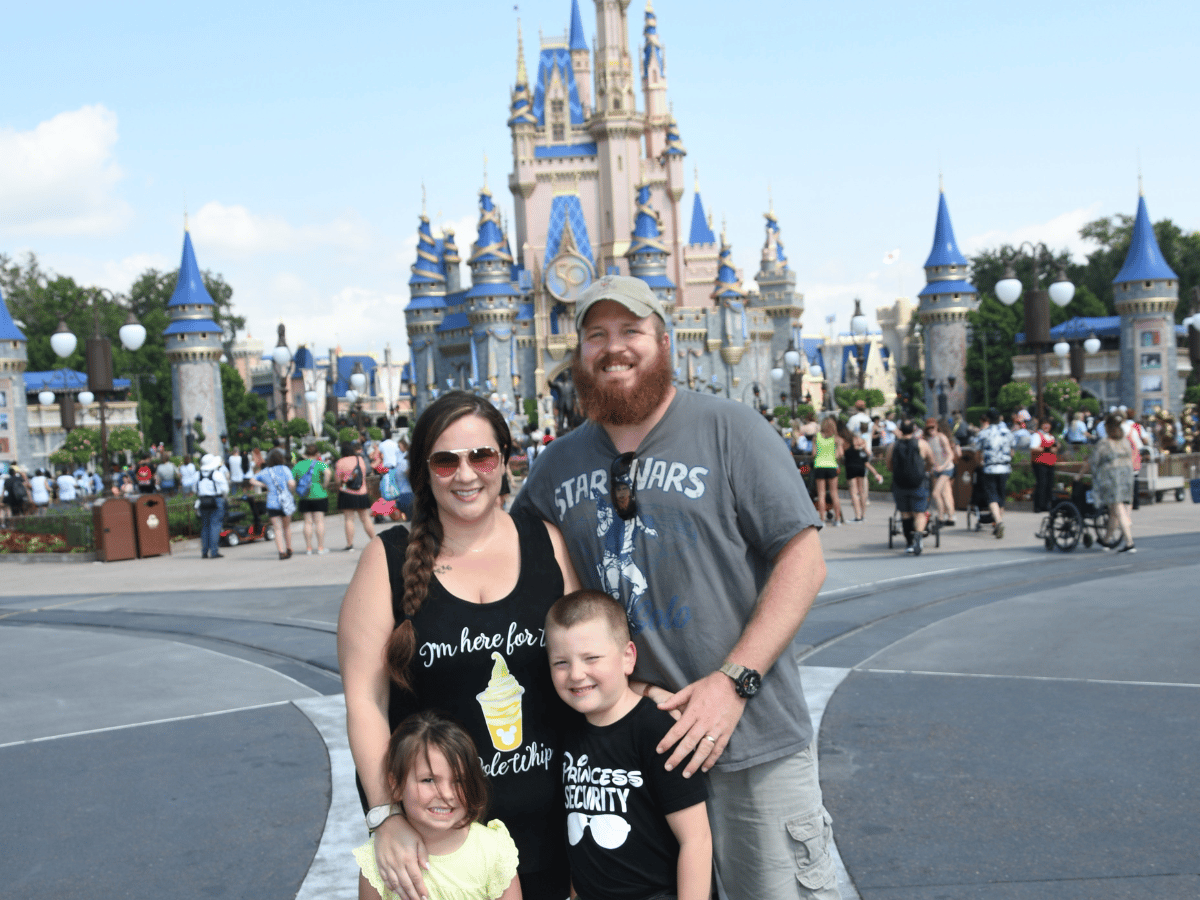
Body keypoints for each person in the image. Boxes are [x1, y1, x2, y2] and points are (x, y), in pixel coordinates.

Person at [512, 275, 838, 900]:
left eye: (631, 331)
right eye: (596, 335)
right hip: (631, 760)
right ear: (577, 353)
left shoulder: (731, 429)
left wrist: (732, 682)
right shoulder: (558, 465)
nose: (615, 348)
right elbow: (517, 561)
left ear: (665, 341)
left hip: (750, 743)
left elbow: (804, 559)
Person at [337, 391, 582, 900]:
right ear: (423, 471)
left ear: (506, 460)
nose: (466, 474)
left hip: (557, 830)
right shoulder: (388, 560)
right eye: (446, 460)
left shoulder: (546, 543)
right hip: (441, 852)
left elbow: (587, 666)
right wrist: (385, 817)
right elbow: (365, 701)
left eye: (482, 456)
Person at [546, 590, 712, 900]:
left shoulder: (656, 729)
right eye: (560, 662)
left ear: (628, 657)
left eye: (592, 658)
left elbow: (697, 840)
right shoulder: (567, 729)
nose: (576, 674)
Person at [352, 711, 521, 900]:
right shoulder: (380, 860)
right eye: (429, 780)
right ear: (396, 785)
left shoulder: (494, 850)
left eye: (458, 780)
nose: (447, 794)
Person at [1079, 413, 1136, 553]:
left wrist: (1079, 475)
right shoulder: (1125, 442)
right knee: (1114, 511)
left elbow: (1093, 461)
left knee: (1118, 508)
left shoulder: (1104, 443)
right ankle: (1106, 540)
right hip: (1127, 477)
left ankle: (1129, 542)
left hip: (1111, 478)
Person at [886, 419, 934, 555]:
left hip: (900, 483)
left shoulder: (892, 446)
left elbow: (889, 466)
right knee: (919, 513)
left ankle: (909, 542)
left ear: (900, 430)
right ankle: (918, 538)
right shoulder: (922, 444)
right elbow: (931, 461)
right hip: (918, 482)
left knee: (905, 514)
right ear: (914, 430)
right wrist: (926, 470)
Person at [971, 407, 1013, 539]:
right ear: (999, 417)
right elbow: (1012, 451)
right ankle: (997, 522)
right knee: (1001, 496)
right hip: (1005, 467)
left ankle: (998, 522)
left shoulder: (984, 433)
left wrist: (980, 463)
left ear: (987, 419)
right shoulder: (1007, 432)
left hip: (989, 468)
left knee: (992, 496)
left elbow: (977, 452)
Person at [250, 447, 295, 559]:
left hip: (272, 503)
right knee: (287, 527)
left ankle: (281, 551)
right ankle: (289, 548)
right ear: (281, 459)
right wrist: (290, 490)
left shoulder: (265, 471)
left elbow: (252, 480)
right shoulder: (285, 469)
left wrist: (264, 485)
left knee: (277, 528)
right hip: (285, 503)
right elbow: (291, 484)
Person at [337, 440, 376, 551]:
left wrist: (343, 487)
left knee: (349, 519)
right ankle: (374, 540)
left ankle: (350, 545)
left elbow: (338, 480)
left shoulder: (340, 462)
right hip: (361, 492)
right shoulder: (360, 460)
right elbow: (364, 474)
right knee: (365, 518)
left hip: (347, 492)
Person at [294, 442, 332, 554]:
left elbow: (291, 480)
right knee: (319, 522)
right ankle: (320, 547)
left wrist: (295, 490)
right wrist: (325, 485)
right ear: (317, 453)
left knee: (307, 522)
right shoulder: (320, 464)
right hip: (319, 494)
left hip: (304, 496)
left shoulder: (299, 465)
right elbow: (328, 473)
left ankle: (308, 548)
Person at [924, 418, 959, 527]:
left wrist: (942, 466)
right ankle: (951, 516)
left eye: (933, 427)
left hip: (946, 468)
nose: (931, 430)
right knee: (945, 493)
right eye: (928, 428)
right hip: (935, 470)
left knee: (935, 493)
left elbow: (950, 454)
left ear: (937, 427)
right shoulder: (928, 439)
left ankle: (940, 517)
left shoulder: (941, 437)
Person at [843, 422, 881, 522]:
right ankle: (863, 515)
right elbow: (869, 454)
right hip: (861, 467)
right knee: (862, 492)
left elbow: (840, 455)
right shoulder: (862, 443)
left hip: (851, 468)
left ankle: (857, 516)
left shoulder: (847, 444)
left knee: (854, 493)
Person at [195, 453, 230, 560]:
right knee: (215, 525)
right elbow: (225, 490)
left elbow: (194, 489)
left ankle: (204, 551)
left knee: (205, 526)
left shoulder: (197, 474)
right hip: (216, 500)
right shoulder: (217, 474)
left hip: (203, 501)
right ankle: (214, 551)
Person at [812, 416, 844, 526]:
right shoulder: (836, 439)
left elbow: (814, 454)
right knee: (834, 493)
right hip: (831, 466)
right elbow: (840, 454)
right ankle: (837, 519)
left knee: (821, 494)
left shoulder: (817, 437)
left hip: (819, 466)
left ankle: (822, 519)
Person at [1029, 418, 1059, 513]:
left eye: (1048, 424)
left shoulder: (1051, 436)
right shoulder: (1037, 435)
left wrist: (1056, 448)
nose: (1046, 426)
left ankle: (1046, 505)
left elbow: (1055, 448)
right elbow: (1033, 448)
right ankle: (1038, 506)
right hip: (1039, 463)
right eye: (1044, 424)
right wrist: (1047, 449)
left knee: (1049, 485)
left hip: (1050, 463)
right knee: (1041, 484)